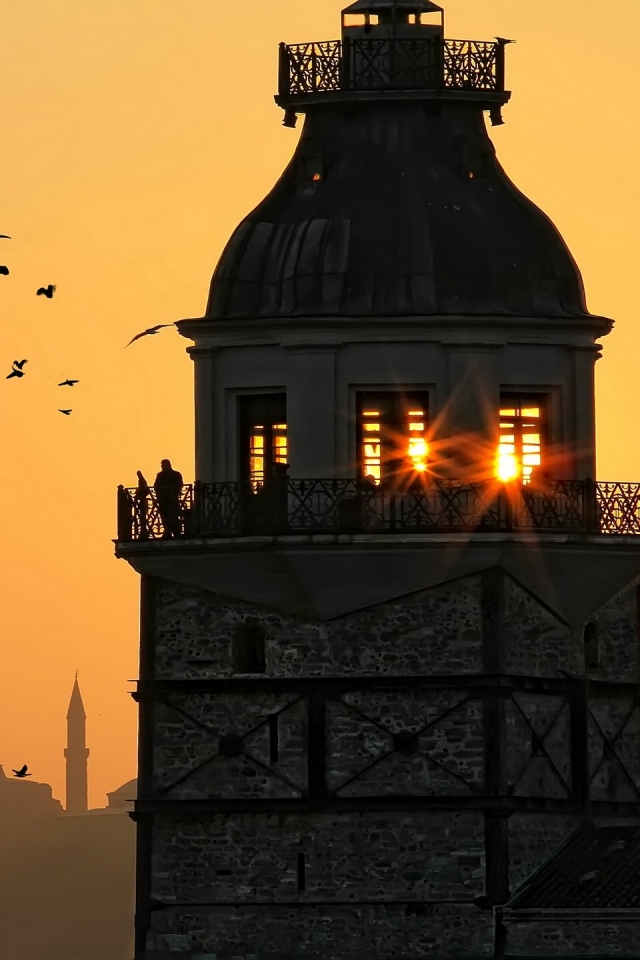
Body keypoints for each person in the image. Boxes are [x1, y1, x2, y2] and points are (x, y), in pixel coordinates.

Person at [154, 459, 184, 538]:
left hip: (172, 499)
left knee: (173, 515)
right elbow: (156, 486)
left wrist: (171, 490)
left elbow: (180, 484)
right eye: (162, 465)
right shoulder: (160, 475)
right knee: (165, 516)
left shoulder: (175, 474)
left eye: (163, 465)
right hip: (163, 499)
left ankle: (175, 531)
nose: (162, 466)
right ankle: (168, 531)